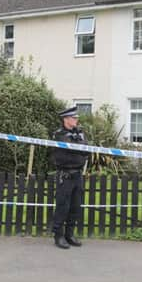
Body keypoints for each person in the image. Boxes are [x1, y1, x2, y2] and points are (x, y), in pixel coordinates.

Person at [50, 106, 88, 249]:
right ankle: (58, 236)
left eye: (76, 118)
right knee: (62, 206)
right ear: (66, 119)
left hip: (77, 174)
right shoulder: (59, 134)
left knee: (75, 206)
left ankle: (69, 235)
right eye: (74, 118)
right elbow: (70, 149)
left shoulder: (81, 133)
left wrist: (79, 147)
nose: (76, 120)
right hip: (65, 175)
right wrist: (78, 148)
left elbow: (86, 150)